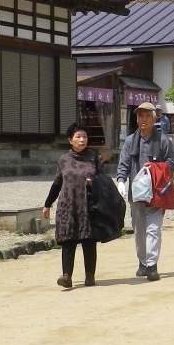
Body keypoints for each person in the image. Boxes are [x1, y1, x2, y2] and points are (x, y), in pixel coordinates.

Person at [116, 102, 174, 281]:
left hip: (157, 192)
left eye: (147, 116)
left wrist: (157, 167)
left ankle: (152, 265)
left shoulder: (163, 140)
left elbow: (173, 163)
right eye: (140, 116)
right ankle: (142, 262)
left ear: (155, 119)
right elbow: (124, 164)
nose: (143, 119)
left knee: (153, 229)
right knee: (139, 229)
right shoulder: (130, 141)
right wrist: (121, 181)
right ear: (137, 119)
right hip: (137, 193)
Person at [43, 123, 102, 289]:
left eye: (84, 136)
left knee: (89, 240)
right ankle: (66, 276)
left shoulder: (94, 158)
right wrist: (47, 204)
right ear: (70, 140)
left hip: (88, 206)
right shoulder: (64, 160)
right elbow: (57, 183)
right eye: (78, 137)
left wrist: (94, 182)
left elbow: (104, 181)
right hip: (68, 206)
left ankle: (90, 275)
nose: (82, 140)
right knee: (68, 240)